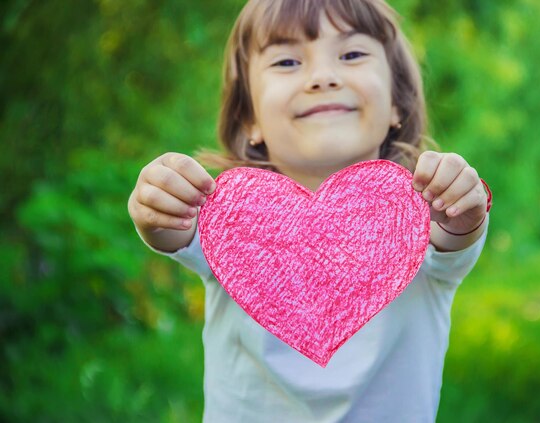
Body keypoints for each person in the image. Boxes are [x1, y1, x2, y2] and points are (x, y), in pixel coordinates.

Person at [128, 1, 491, 421]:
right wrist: (159, 204)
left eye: (352, 54)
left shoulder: (422, 221)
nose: (322, 77)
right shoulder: (230, 220)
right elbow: (173, 231)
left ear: (397, 104)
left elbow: (455, 236)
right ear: (250, 119)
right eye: (287, 61)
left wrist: (461, 208)